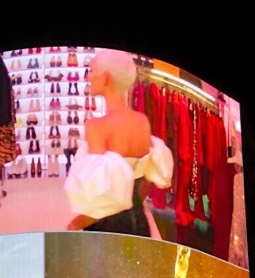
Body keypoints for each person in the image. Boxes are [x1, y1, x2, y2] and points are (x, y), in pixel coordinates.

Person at [65, 48, 174, 237]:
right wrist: (132, 202)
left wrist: (75, 225)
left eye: (91, 71)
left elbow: (102, 200)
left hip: (108, 229)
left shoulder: (97, 127)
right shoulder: (142, 122)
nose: (88, 77)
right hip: (138, 221)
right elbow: (148, 179)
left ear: (106, 78)